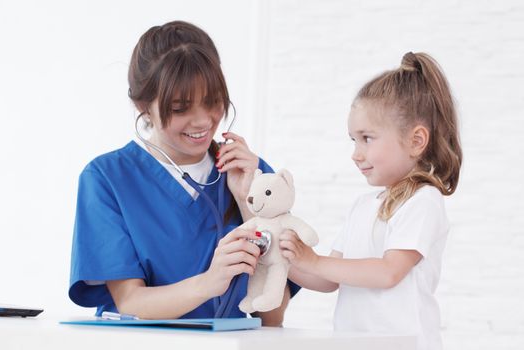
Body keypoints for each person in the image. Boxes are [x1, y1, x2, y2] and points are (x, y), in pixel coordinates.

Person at [68, 20, 298, 325]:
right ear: (142, 105)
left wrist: (246, 204)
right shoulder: (108, 178)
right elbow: (130, 301)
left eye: (212, 101)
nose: (203, 121)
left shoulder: (254, 176)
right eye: (180, 108)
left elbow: (272, 315)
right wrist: (209, 283)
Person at [279, 52, 462, 349]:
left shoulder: (423, 201)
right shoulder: (363, 206)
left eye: (367, 138)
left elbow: (389, 271)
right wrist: (285, 260)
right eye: (353, 140)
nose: (356, 153)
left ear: (416, 141)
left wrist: (312, 259)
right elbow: (328, 279)